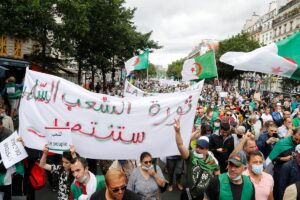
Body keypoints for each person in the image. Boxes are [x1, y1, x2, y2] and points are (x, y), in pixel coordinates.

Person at [174, 119, 220, 200]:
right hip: (188, 194)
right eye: (197, 146)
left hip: (203, 197)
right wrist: (177, 131)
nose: (198, 149)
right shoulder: (191, 155)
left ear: (206, 149)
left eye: (201, 148)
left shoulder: (211, 160)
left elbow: (217, 171)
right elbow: (180, 145)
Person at [267, 128, 300, 200]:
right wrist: (283, 159)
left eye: (299, 140)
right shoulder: (282, 143)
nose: (297, 142)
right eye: (296, 139)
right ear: (293, 135)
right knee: (280, 190)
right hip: (280, 170)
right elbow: (272, 157)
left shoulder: (299, 144)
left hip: (294, 171)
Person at [0, 117, 13, 200]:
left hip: (6, 163)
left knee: (6, 186)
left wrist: (5, 164)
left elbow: (13, 151)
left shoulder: (8, 133)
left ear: (1, 125)